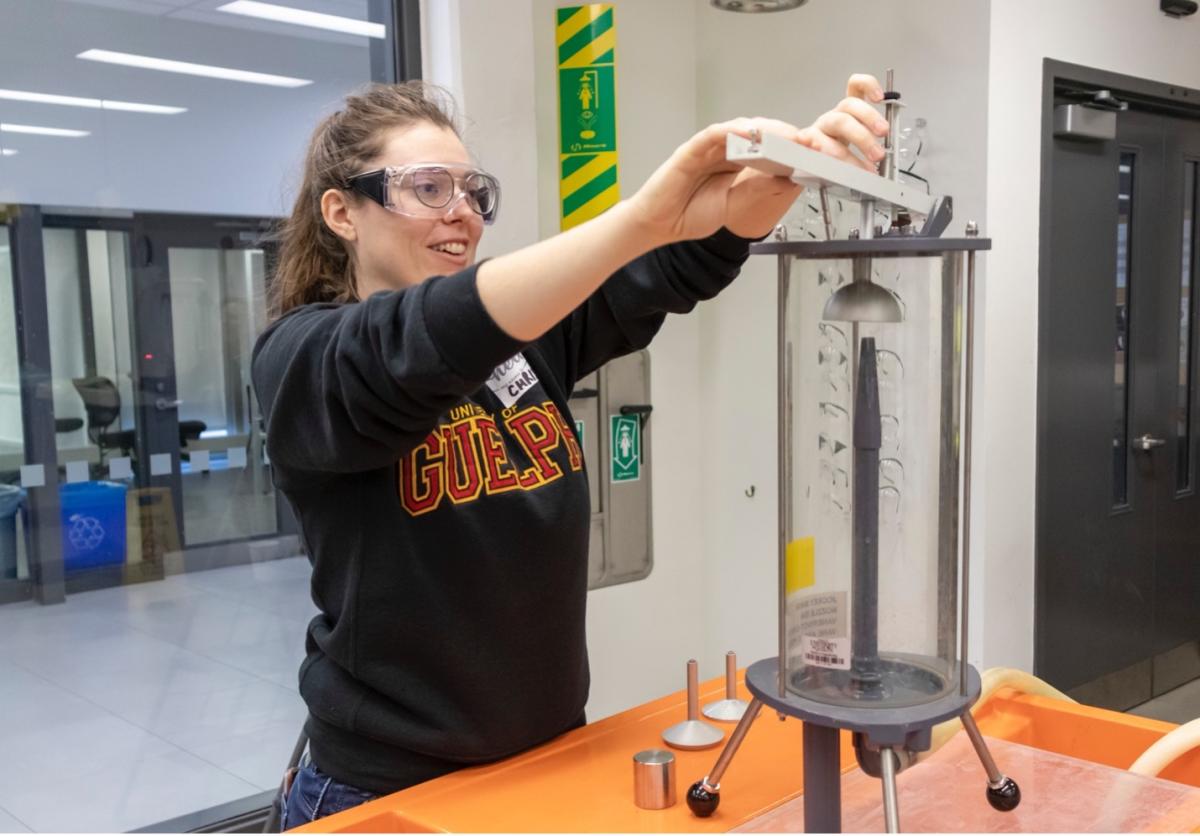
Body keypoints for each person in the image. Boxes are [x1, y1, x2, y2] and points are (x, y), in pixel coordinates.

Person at [254, 73, 891, 828]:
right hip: (389, 791)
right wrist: (641, 219)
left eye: (472, 191)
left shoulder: (519, 345)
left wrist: (782, 177)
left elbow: (654, 276)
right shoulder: (306, 361)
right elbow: (420, 339)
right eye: (426, 188)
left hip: (545, 760)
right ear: (342, 212)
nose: (461, 213)